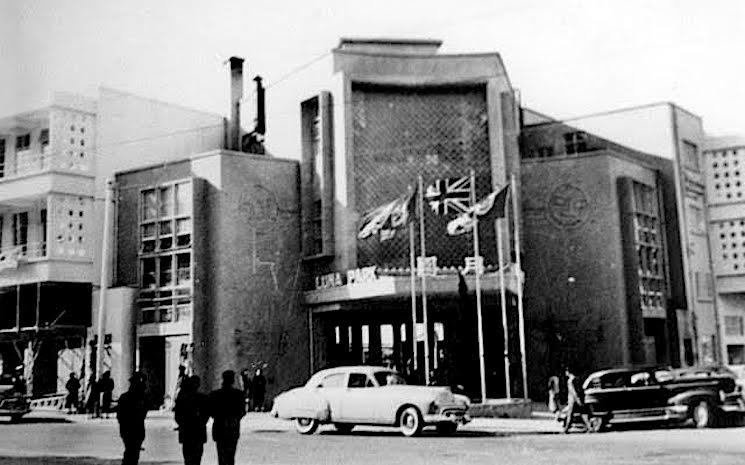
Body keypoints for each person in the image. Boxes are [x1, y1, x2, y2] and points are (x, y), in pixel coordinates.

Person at [209, 370, 246, 465]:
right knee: (230, 456)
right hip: (233, 428)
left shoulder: (215, 394)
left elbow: (211, 411)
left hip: (219, 428)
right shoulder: (239, 395)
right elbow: (242, 412)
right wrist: (234, 419)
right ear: (233, 380)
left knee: (221, 456)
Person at [175, 376, 210, 465]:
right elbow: (206, 415)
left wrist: (183, 424)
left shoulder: (182, 399)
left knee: (187, 458)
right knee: (197, 458)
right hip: (199, 432)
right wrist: (201, 423)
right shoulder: (203, 398)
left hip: (186, 432)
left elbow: (177, 416)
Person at [117, 372, 148, 465]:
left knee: (131, 453)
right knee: (132, 454)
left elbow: (119, 416)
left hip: (130, 430)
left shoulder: (125, 397)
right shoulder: (132, 398)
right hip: (132, 430)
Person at [565, 368, 592, 432]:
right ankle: (589, 427)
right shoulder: (577, 379)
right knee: (583, 413)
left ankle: (566, 428)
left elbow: (573, 391)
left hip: (573, 400)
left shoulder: (570, 380)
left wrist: (576, 399)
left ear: (568, 372)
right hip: (578, 398)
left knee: (570, 414)